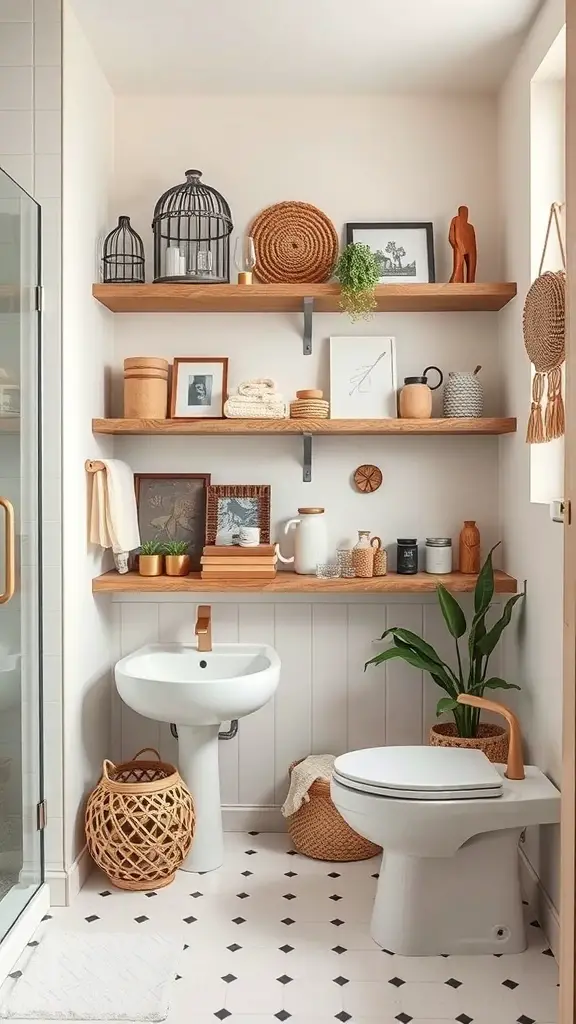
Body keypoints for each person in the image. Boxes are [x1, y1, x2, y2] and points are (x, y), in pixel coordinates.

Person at [449, 206, 477, 283]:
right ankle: (457, 281)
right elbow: (452, 236)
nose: (465, 215)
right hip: (459, 246)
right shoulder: (456, 220)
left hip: (471, 248)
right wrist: (458, 245)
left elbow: (473, 239)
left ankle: (471, 282)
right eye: (463, 212)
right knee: (458, 266)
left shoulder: (470, 227)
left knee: (471, 268)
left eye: (466, 213)